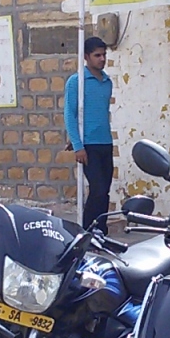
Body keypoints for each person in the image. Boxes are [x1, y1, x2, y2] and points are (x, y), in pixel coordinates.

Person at [64, 36, 115, 232]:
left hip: (105, 142)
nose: (102, 59)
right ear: (86, 57)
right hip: (88, 145)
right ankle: (86, 231)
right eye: (97, 55)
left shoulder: (107, 82)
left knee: (105, 192)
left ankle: (101, 231)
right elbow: (70, 114)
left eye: (104, 55)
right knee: (98, 189)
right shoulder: (76, 81)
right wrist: (77, 144)